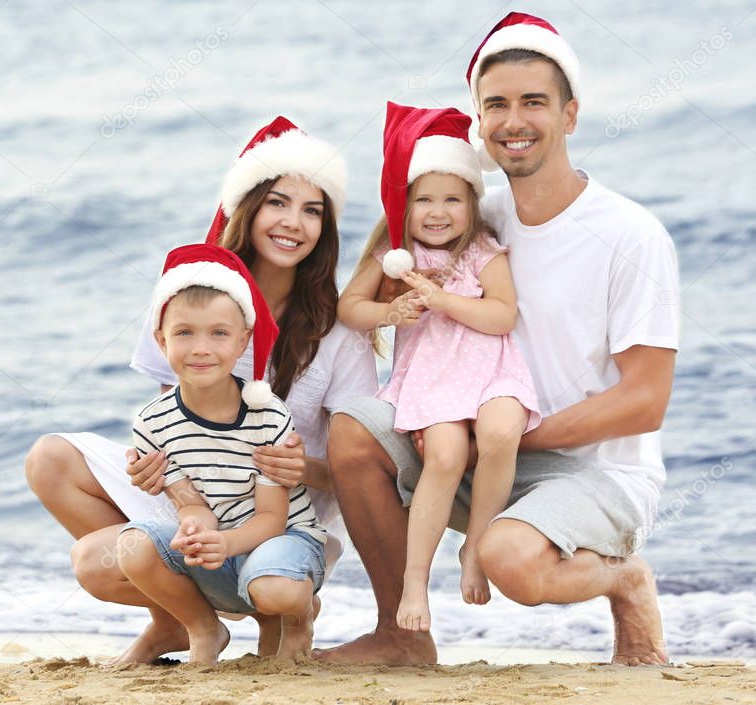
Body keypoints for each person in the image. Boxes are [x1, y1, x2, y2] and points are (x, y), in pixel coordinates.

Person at [316, 12, 679, 666]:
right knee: (352, 430)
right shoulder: (469, 214)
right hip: (470, 437)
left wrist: (507, 435)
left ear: (570, 115)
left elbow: (644, 402)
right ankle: (403, 634)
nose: (515, 119)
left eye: (533, 102)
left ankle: (625, 577)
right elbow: (380, 270)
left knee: (509, 561)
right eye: (497, 105)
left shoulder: (630, 234)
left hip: (589, 467)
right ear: (479, 123)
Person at [25, 117, 377, 664]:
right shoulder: (188, 295)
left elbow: (360, 468)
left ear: (326, 229)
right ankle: (177, 620)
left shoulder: (338, 331)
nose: (293, 223)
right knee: (54, 469)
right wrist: (155, 470)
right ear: (248, 207)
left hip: (279, 513)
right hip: (195, 491)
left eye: (313, 211)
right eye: (278, 203)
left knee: (271, 572)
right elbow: (175, 415)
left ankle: (275, 606)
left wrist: (300, 468)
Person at [337, 102, 541, 633]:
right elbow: (349, 308)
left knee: (501, 430)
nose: (437, 211)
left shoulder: (483, 252)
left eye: (452, 199)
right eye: (423, 199)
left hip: (493, 372)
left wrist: (445, 300)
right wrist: (391, 311)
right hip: (432, 380)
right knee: (445, 455)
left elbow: (501, 317)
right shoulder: (394, 254)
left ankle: (476, 545)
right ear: (404, 205)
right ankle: (414, 580)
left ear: (472, 204)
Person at [120, 243, 328, 663]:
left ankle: (299, 613)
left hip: (281, 539)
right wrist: (195, 531)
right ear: (161, 341)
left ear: (242, 342)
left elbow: (273, 518)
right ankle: (203, 629)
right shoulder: (153, 423)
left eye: (219, 333)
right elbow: (191, 503)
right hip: (223, 547)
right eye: (184, 333)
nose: (201, 348)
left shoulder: (267, 414)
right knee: (131, 547)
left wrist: (225, 542)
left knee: (276, 590)